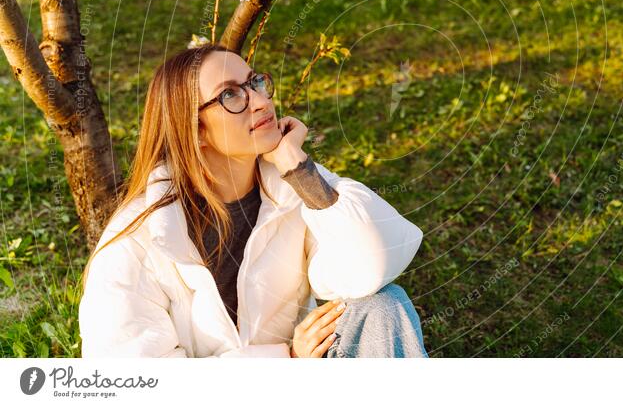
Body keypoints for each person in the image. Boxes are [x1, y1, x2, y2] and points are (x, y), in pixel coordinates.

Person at [78, 43, 428, 358]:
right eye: (230, 96)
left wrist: (299, 168)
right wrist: (285, 361)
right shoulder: (137, 239)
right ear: (194, 129)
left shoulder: (290, 183)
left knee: (384, 305)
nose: (261, 101)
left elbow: (372, 264)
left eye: (254, 83)